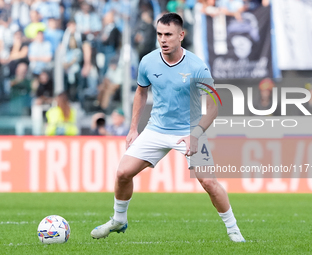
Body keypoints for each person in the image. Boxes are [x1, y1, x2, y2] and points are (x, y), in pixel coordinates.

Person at [91, 13, 245, 242]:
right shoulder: (148, 62)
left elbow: (213, 107)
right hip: (156, 129)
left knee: (209, 182)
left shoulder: (197, 67)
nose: (163, 40)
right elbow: (141, 92)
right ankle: (119, 220)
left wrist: (196, 135)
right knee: (123, 173)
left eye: (168, 35)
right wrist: (134, 128)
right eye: (159, 34)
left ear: (181, 35)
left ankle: (233, 230)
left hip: (190, 130)